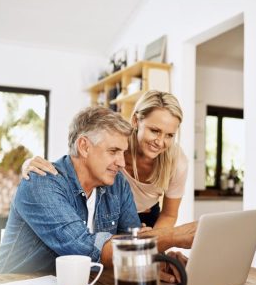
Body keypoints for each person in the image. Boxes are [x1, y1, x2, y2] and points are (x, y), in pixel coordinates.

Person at [0, 106, 196, 279]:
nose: (122, 163)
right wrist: (174, 236)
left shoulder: (117, 184)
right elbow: (87, 249)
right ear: (84, 147)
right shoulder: (41, 183)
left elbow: (135, 238)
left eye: (123, 153)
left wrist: (159, 260)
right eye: (113, 152)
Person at [23, 90, 187, 229]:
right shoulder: (117, 139)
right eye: (154, 130)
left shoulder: (176, 162)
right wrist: (30, 165)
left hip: (146, 216)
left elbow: (169, 214)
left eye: (169, 135)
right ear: (136, 121)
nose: (160, 141)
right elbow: (77, 160)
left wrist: (155, 244)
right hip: (108, 209)